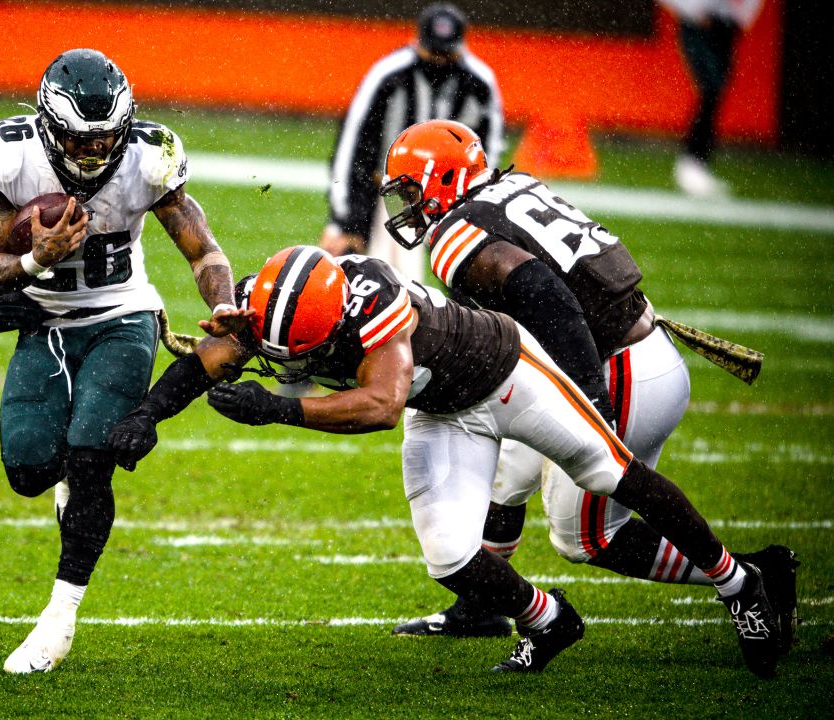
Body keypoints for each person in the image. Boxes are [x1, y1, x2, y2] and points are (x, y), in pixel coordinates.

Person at [110, 244, 792, 678]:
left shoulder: (376, 304)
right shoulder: (276, 303)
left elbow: (381, 404)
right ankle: (549, 621)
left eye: (306, 352)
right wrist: (148, 413)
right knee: (450, 558)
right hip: (445, 414)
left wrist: (280, 409)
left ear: (337, 318)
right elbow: (212, 358)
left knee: (609, 470)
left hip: (507, 373)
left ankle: (738, 582)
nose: (292, 363)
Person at [376, 119, 798, 649]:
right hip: (629, 347)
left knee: (588, 538)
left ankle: (748, 576)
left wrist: (590, 400)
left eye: (413, 189)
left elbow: (549, 298)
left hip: (616, 370)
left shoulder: (458, 235)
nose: (409, 206)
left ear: (443, 179)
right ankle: (482, 609)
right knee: (507, 471)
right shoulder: (510, 186)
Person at [0, 47, 246, 674]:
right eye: (80, 141)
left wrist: (224, 304)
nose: (94, 154)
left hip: (122, 316)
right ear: (46, 126)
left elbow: (203, 253)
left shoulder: (151, 158)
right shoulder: (8, 155)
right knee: (29, 470)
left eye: (105, 140)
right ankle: (66, 478)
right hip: (43, 320)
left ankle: (57, 619)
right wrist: (38, 259)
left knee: (93, 460)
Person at [321, 2, 502, 284]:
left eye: (446, 54)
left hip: (452, 193)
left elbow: (487, 154)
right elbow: (354, 146)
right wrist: (347, 220)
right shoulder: (389, 75)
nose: (439, 62)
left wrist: (476, 211)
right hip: (391, 188)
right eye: (434, 53)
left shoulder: (479, 83)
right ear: (418, 43)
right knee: (384, 280)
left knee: (468, 283)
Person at [659, 0, 764, 197]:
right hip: (698, 25)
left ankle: (696, 162)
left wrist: (738, 20)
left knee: (715, 94)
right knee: (711, 89)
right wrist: (695, 11)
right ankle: (692, 162)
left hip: (724, 29)